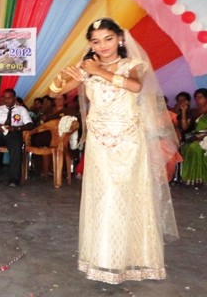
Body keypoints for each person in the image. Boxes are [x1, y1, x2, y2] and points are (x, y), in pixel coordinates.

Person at [50, 17, 178, 284]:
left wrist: (98, 71)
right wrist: (63, 77)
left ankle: (134, 259)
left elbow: (135, 86)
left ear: (120, 39)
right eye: (96, 41)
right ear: (90, 44)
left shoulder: (133, 64)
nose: (103, 45)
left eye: (108, 38)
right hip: (99, 141)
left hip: (128, 141)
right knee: (103, 196)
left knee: (127, 196)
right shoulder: (88, 67)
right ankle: (103, 259)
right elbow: (54, 93)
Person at [0, 88, 33, 187]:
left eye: (9, 98)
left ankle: (14, 178)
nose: (6, 100)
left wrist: (16, 128)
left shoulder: (21, 110)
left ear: (14, 98)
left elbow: (30, 125)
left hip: (14, 133)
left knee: (16, 145)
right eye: (5, 98)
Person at [179, 88, 207, 185]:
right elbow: (184, 127)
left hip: (204, 138)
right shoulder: (195, 112)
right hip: (195, 137)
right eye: (196, 97)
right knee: (186, 147)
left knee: (194, 147)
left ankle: (202, 177)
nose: (198, 100)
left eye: (201, 97)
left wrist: (201, 136)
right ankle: (190, 178)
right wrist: (183, 111)